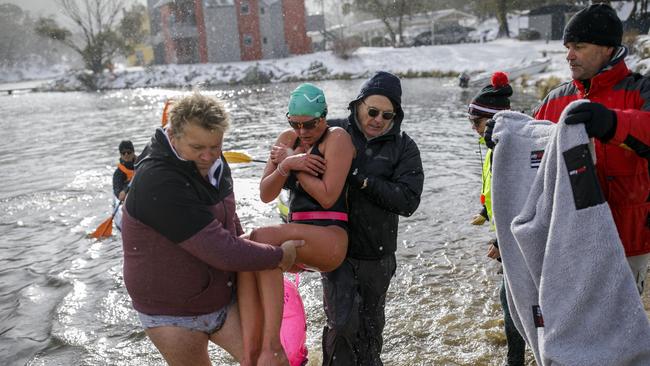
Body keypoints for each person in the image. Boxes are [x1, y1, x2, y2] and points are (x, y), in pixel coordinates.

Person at [120, 93, 302, 366]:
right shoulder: (157, 181)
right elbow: (218, 248)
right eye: (197, 148)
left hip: (222, 295)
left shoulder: (213, 161)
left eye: (215, 146)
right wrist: (278, 256)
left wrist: (253, 263)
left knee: (272, 361)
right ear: (173, 135)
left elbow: (230, 223)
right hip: (171, 312)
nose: (207, 156)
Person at [532, 3, 650, 294]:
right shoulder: (555, 98)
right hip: (569, 238)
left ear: (608, 48)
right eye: (568, 47)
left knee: (620, 327)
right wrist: (500, 128)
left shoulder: (640, 89)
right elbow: (529, 160)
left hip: (629, 238)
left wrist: (611, 122)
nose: (569, 56)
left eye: (579, 46)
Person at [237, 83, 355, 364]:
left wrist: (295, 164)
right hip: (297, 235)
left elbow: (328, 197)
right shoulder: (287, 139)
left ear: (324, 116)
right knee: (243, 247)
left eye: (310, 124)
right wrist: (286, 166)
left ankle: (272, 345)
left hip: (330, 236)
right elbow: (266, 194)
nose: (302, 132)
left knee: (259, 237)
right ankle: (253, 343)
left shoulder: (336, 138)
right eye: (295, 123)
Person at [322, 71, 424, 365]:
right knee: (341, 325)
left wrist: (361, 180)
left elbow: (408, 201)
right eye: (373, 111)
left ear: (396, 116)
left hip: (378, 256)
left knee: (369, 329)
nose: (378, 119)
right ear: (358, 105)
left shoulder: (404, 147)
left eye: (387, 115)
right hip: (336, 250)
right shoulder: (332, 132)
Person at [467, 72, 526, 366]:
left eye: (476, 123)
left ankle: (516, 359)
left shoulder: (511, 149)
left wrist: (500, 241)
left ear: (494, 120)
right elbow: (494, 190)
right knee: (513, 301)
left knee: (512, 302)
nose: (474, 129)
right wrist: (485, 212)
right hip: (509, 238)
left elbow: (520, 200)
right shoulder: (495, 148)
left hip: (516, 242)